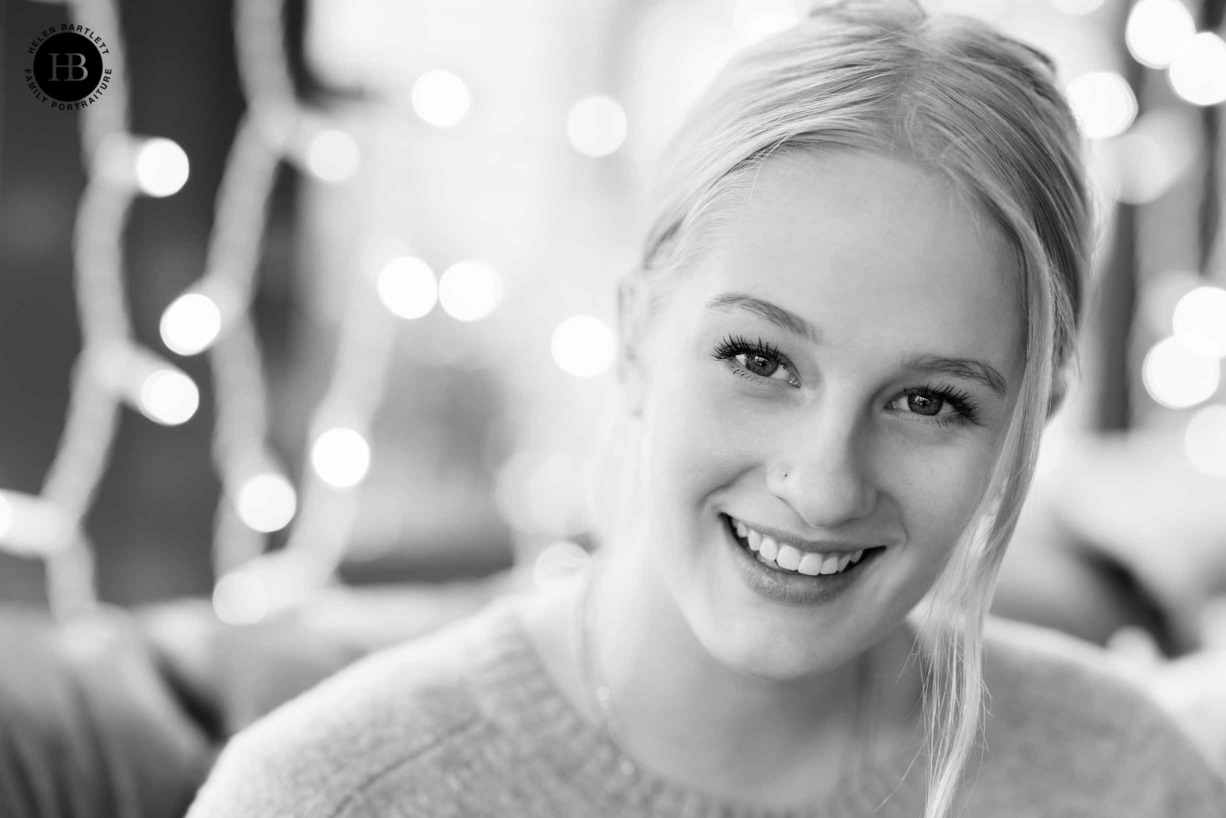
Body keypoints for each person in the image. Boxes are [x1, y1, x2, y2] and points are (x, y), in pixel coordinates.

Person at [186, 1, 1226, 816]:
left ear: (1029, 419)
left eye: (928, 399)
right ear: (636, 331)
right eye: (758, 357)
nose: (822, 484)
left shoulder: (1131, 779)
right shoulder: (328, 794)